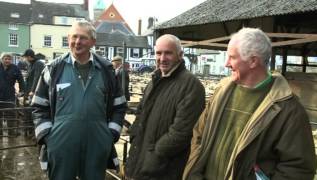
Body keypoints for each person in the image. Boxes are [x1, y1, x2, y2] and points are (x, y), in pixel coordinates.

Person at [183, 28, 317, 180]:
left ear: (253, 61)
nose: (226, 64)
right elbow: (199, 134)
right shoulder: (221, 92)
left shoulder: (289, 110)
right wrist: (194, 173)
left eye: (232, 57)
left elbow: (298, 168)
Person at [31, 21, 127, 180]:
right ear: (68, 38)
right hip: (61, 144)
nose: (77, 42)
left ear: (93, 42)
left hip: (97, 143)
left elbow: (119, 106)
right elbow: (38, 106)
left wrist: (110, 135)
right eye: (74, 36)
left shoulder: (106, 70)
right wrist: (49, 137)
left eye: (83, 37)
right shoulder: (53, 69)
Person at [125, 34, 206, 180]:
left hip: (164, 170)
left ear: (180, 55)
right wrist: (134, 137)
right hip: (140, 164)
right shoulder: (154, 81)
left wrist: (154, 153)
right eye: (158, 53)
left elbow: (182, 132)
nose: (162, 58)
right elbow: (141, 115)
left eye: (168, 53)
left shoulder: (191, 86)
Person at [0, 52, 25, 136]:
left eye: (9, 59)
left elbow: (21, 80)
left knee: (10, 114)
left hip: (10, 95)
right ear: (2, 59)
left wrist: (22, 91)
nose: (7, 60)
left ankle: (11, 132)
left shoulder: (15, 68)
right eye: (5, 59)